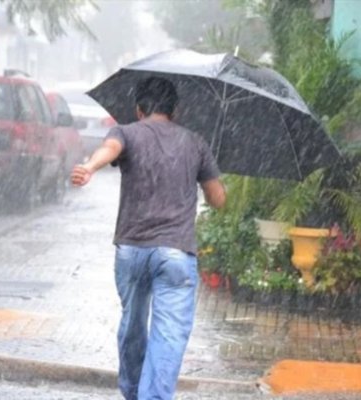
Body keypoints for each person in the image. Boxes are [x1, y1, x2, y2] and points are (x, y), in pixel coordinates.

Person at [70, 77, 226, 400]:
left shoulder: (127, 132)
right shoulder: (195, 142)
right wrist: (207, 176)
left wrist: (89, 167)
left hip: (132, 250)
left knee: (133, 325)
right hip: (175, 253)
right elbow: (218, 198)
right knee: (168, 333)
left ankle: (131, 391)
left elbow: (110, 149)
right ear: (176, 110)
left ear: (139, 109)